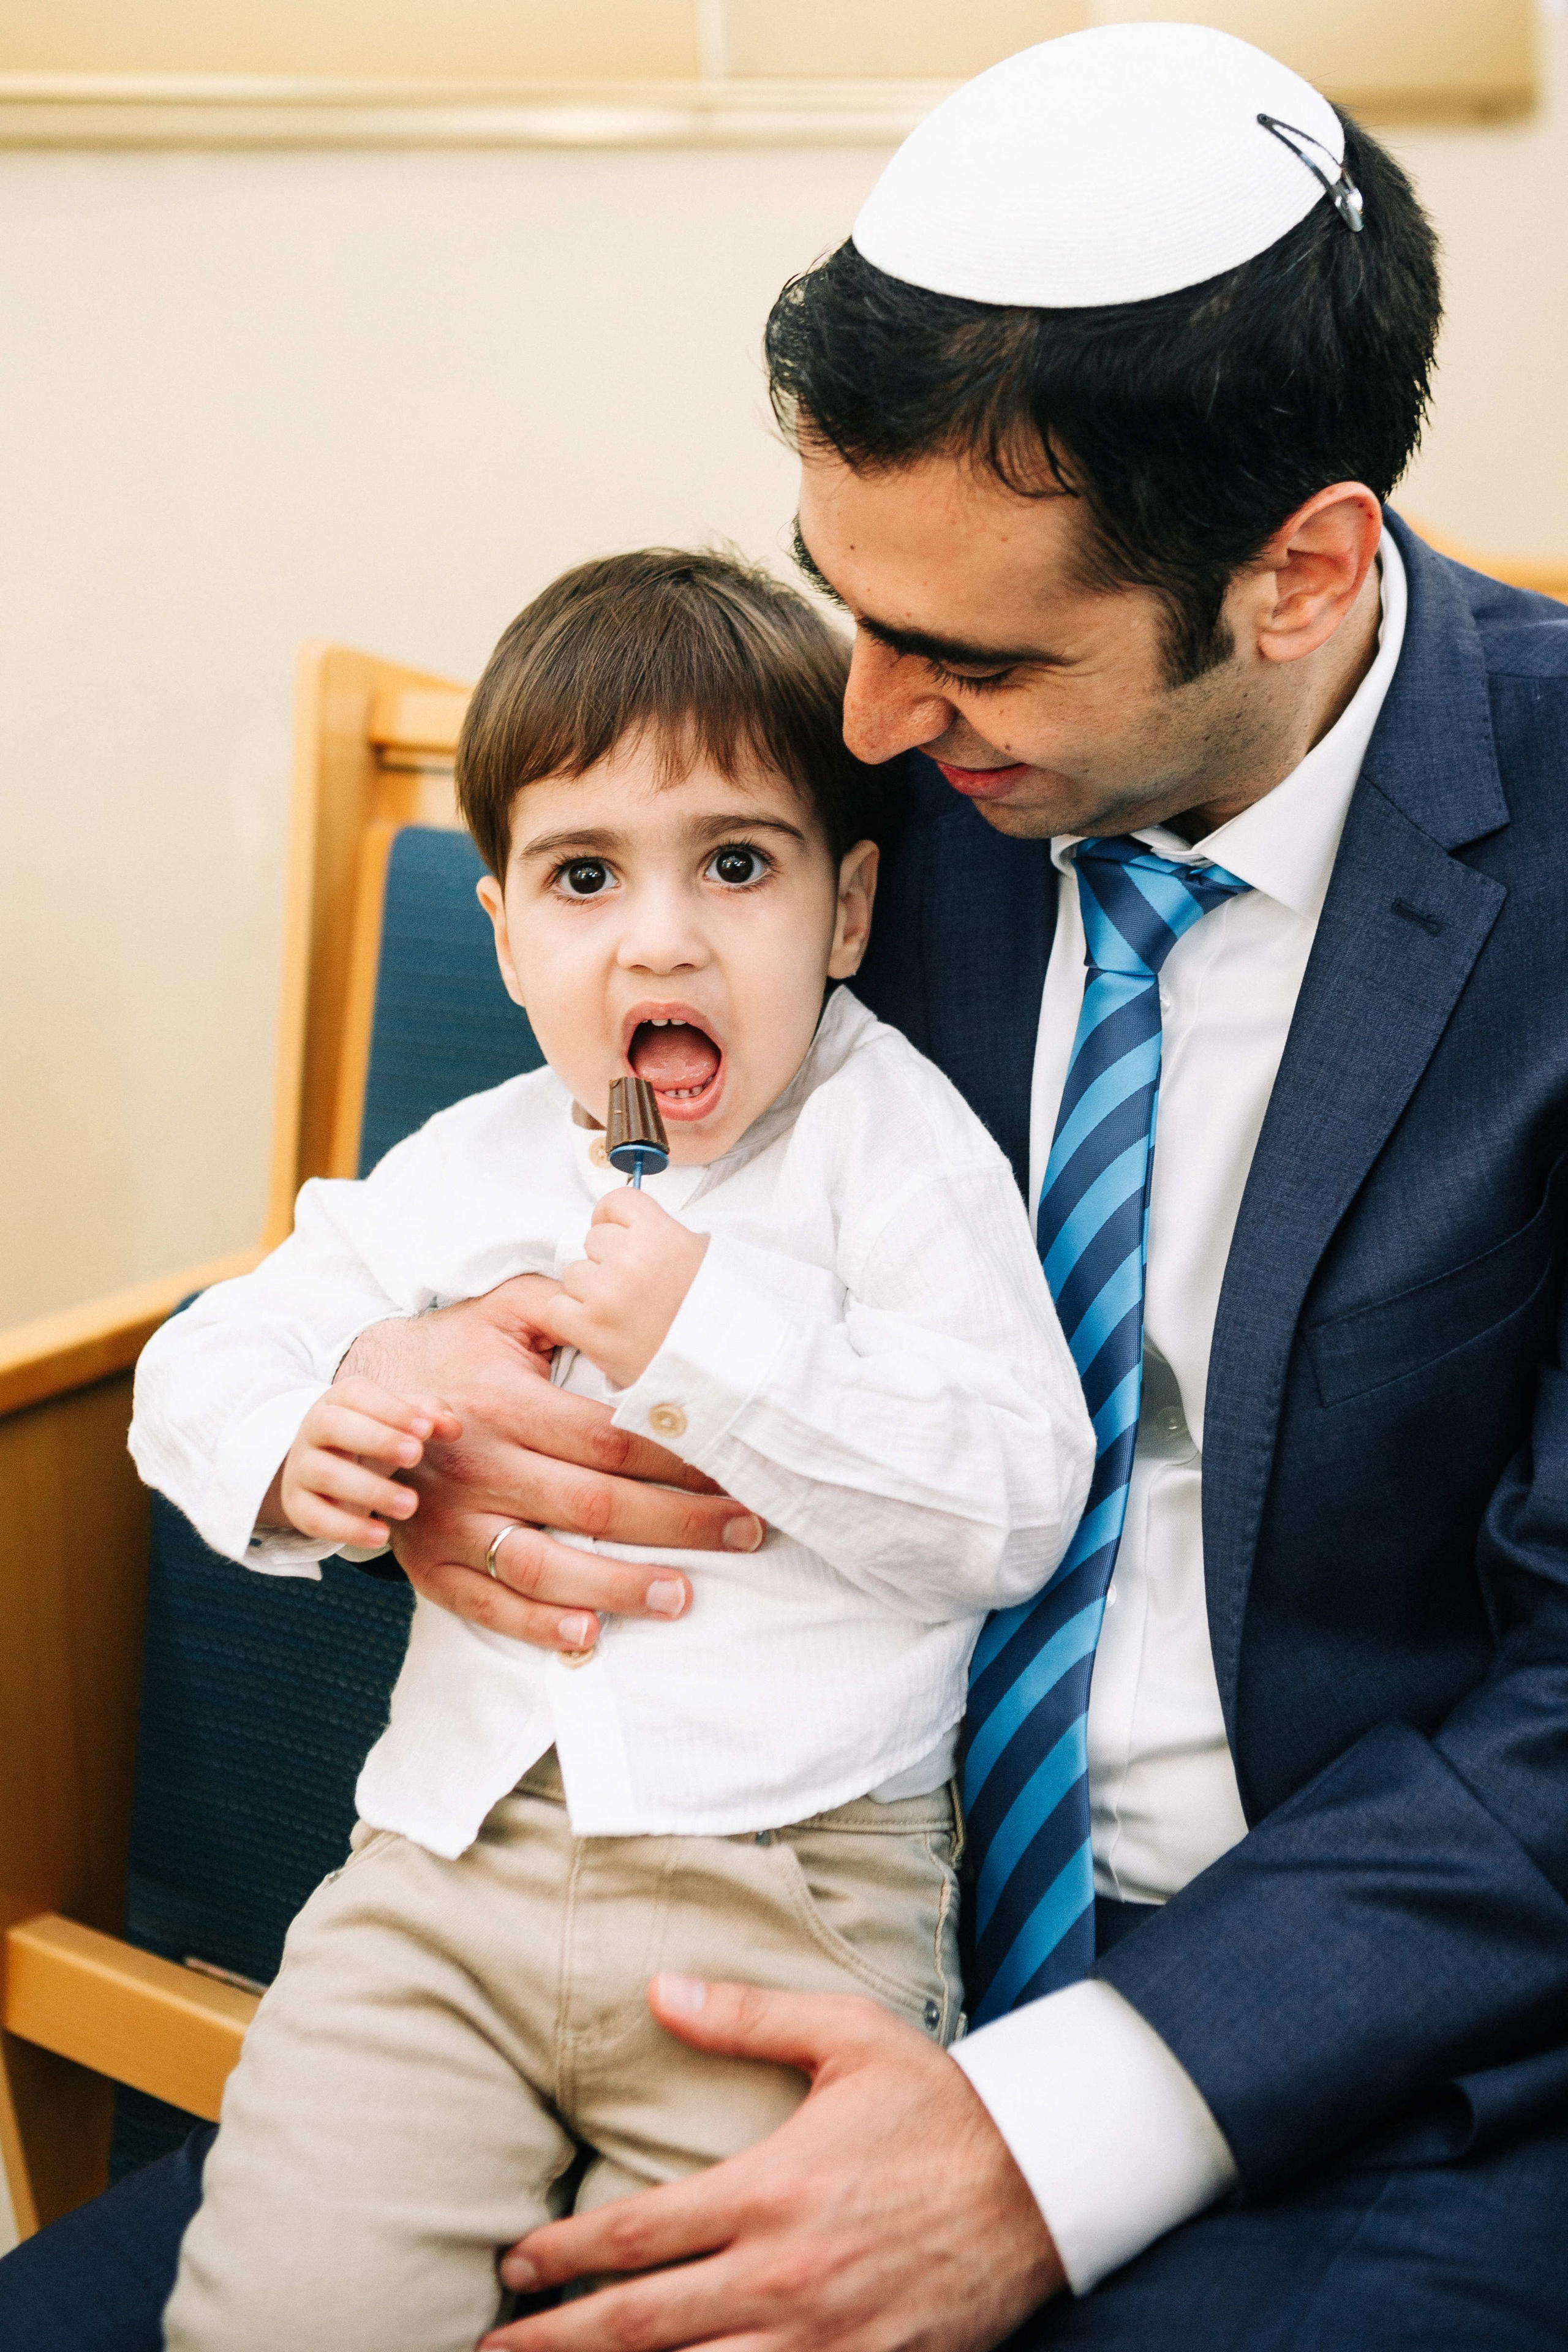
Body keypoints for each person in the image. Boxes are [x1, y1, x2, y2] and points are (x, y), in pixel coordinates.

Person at [7, 21, 1568, 2352]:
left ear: (1303, 571)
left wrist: (1059, 2127)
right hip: (613, 1894)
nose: (857, 726)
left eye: (962, 656)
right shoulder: (830, 810)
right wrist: (416, 1401)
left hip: (1327, 2049)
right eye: (848, 598)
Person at [126, 547, 1093, 2349]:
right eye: (585, 878)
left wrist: (716, 1337)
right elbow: (199, 1361)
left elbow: (1015, 1501)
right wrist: (299, 1428)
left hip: (789, 1903)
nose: (663, 938)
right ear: (503, 933)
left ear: (848, 910)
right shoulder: (474, 1163)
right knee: (283, 2306)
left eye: (738, 864)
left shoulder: (893, 1150)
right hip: (439, 1881)